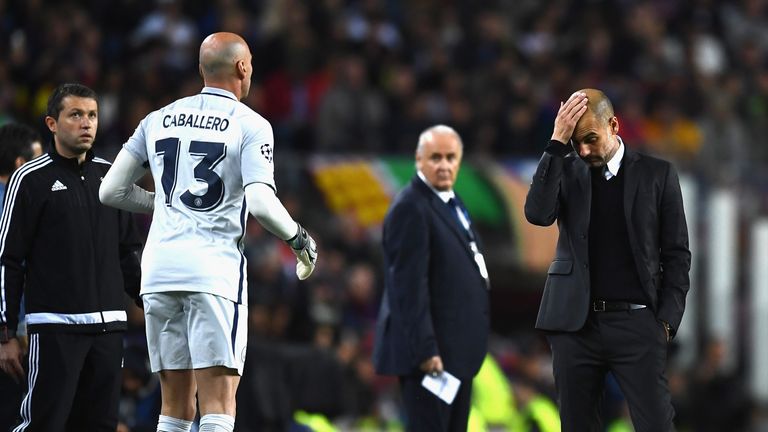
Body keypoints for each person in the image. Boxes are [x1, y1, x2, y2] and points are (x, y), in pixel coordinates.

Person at [99, 32, 318, 432]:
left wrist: (165, 204)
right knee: (217, 404)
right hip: (212, 273)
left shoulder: (157, 118)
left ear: (201, 70)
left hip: (159, 273)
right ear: (243, 67)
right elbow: (263, 204)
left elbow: (109, 190)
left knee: (174, 408)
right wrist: (300, 240)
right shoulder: (251, 125)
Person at [524, 89, 691, 432]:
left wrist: (665, 323)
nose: (583, 150)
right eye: (575, 142)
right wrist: (556, 143)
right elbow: (537, 214)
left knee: (658, 426)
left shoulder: (658, 175)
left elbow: (676, 255)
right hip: (575, 327)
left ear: (614, 125)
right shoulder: (566, 169)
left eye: (590, 139)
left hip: (638, 325)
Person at [0, 83, 143, 431]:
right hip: (55, 330)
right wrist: (5, 335)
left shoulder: (112, 175)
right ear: (52, 123)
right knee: (43, 424)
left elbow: (127, 254)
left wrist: (153, 305)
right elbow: (9, 259)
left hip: (109, 329)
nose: (86, 123)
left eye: (92, 115)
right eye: (76, 114)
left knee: (100, 426)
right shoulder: (28, 179)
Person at [372, 125, 490, 431]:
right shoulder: (411, 206)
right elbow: (407, 288)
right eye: (435, 157)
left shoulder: (450, 201)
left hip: (455, 354)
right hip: (431, 356)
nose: (444, 165)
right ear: (418, 159)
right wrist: (426, 350)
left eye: (451, 157)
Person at [0, 122, 43, 432]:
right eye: (37, 160)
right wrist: (9, 335)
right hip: (13, 339)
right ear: (20, 164)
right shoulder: (14, 205)